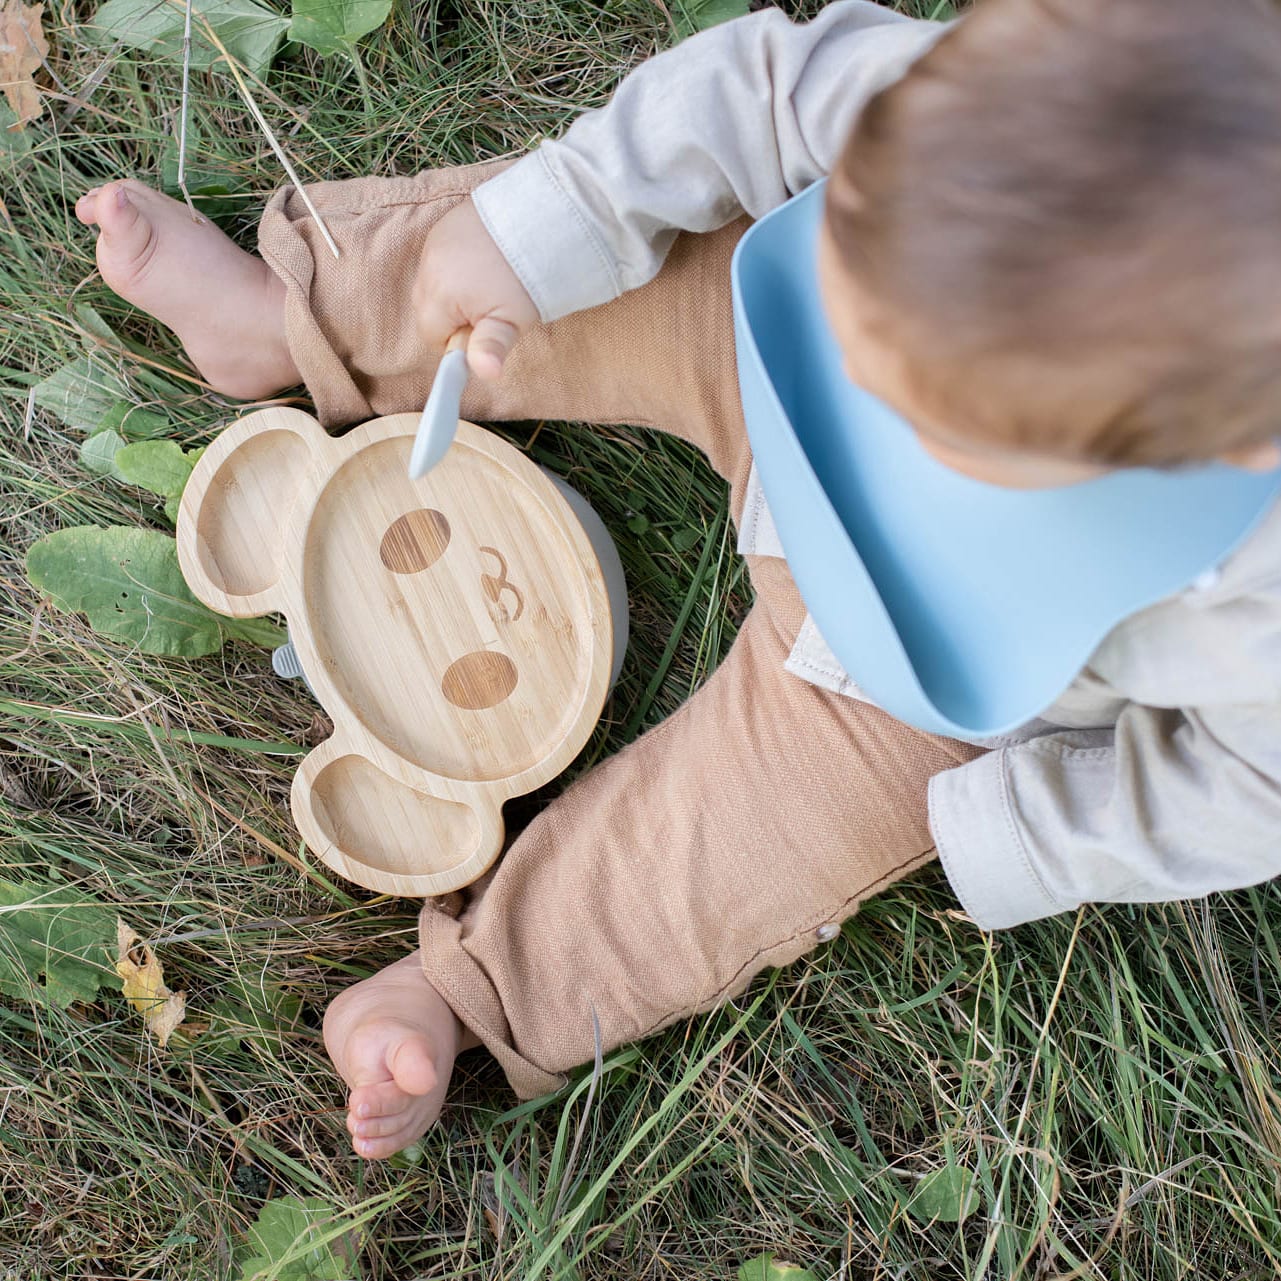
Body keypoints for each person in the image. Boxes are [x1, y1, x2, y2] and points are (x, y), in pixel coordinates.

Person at [75, 0, 1281, 1160]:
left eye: (961, 437)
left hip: (914, 656)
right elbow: (759, 92)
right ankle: (296, 319)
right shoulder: (1022, 112)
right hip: (769, 349)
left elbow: (1245, 792)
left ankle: (478, 985)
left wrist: (1027, 830)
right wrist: (530, 233)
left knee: (739, 844)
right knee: (564, 278)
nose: (902, 417)